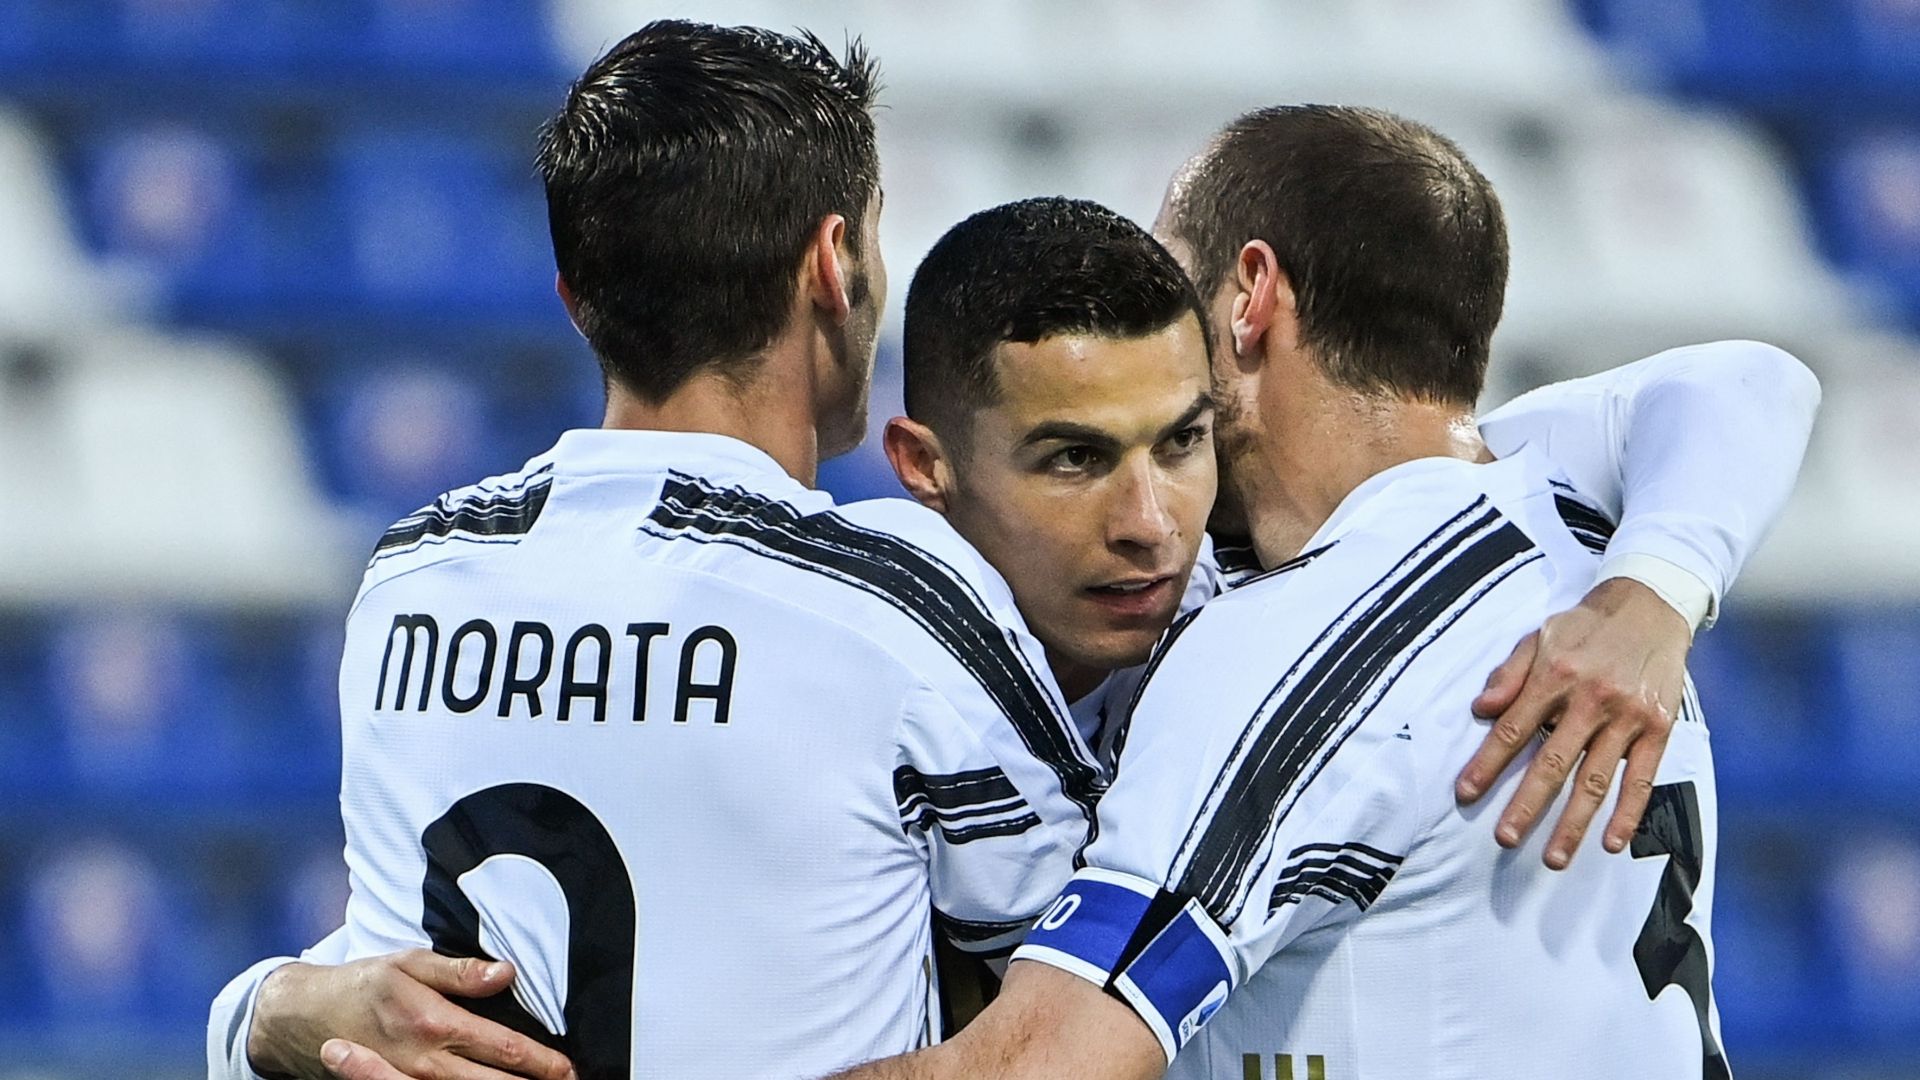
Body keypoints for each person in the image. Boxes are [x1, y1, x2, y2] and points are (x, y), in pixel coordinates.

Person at [236, 197, 1817, 1080]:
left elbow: (1740, 384)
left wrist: (1657, 591)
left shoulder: (1274, 612)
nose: (1151, 521)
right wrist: (274, 1015)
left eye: (1184, 442)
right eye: (1072, 461)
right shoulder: (842, 670)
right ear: (927, 470)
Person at [827, 107, 1813, 1080]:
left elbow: (1044, 1064)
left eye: (1174, 275)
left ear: (1250, 295)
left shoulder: (1305, 636)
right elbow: (1750, 381)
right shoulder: (1583, 523)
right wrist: (1653, 594)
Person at [215, 22, 1113, 1080]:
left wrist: (262, 1008)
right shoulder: (891, 602)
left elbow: (389, 976)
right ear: (832, 264)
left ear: (574, 300)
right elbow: (1095, 972)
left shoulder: (412, 578)